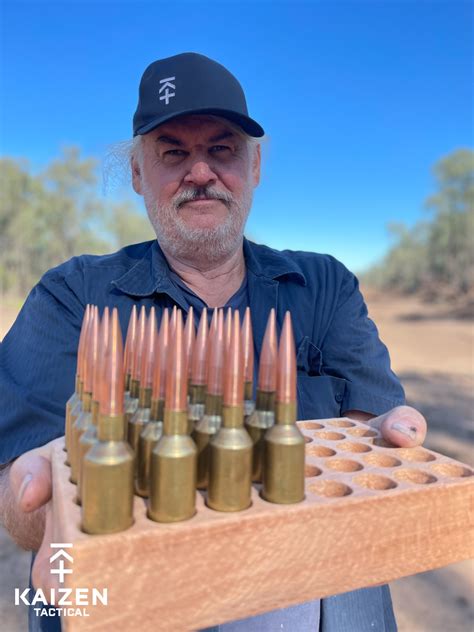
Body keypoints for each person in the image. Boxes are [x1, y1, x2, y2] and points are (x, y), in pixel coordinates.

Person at [0, 52, 426, 631]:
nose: (199, 172)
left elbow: (369, 453)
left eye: (221, 149)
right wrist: (42, 503)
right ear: (136, 174)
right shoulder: (72, 297)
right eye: (173, 152)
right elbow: (21, 497)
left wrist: (385, 452)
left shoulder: (322, 287)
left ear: (254, 167)